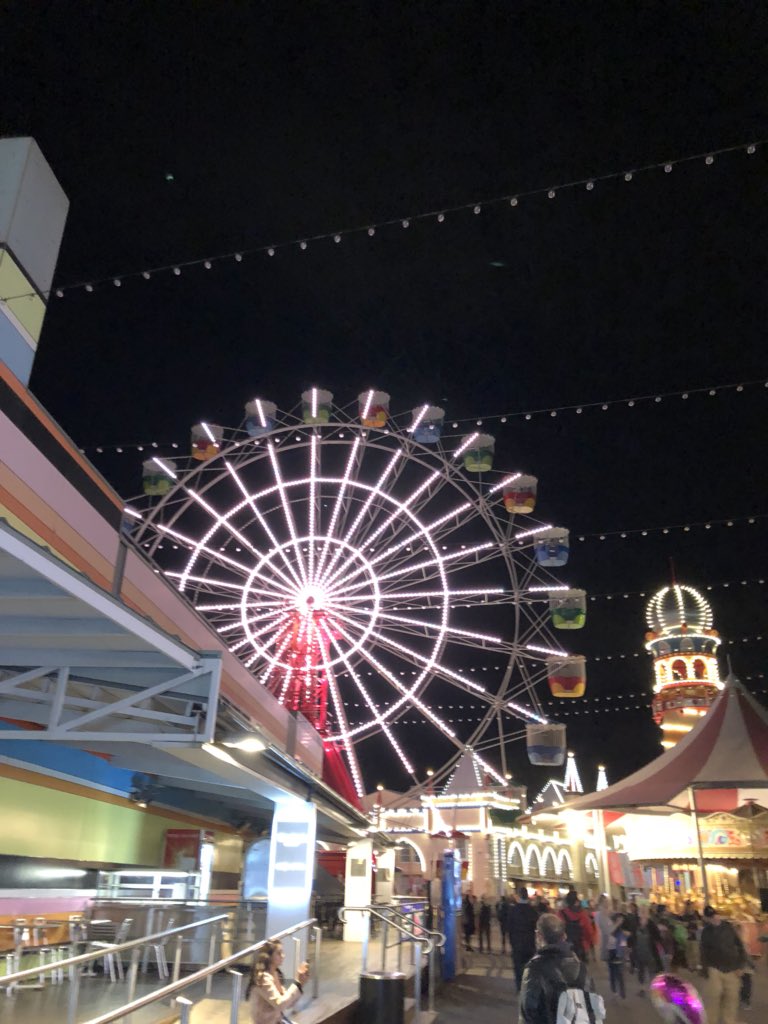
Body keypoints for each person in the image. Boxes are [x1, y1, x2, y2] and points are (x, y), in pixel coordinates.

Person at [518, 912, 593, 1024]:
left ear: (539, 936)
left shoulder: (534, 969)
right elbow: (591, 1008)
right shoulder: (580, 966)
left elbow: (528, 1012)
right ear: (564, 936)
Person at [700, 905, 748, 1024]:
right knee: (714, 995)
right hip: (714, 967)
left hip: (732, 967)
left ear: (718, 914)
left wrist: (741, 965)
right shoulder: (706, 932)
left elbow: (740, 946)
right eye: (710, 917)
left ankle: (729, 1021)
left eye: (714, 915)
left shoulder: (729, 927)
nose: (714, 918)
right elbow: (703, 951)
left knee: (732, 996)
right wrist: (705, 968)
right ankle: (711, 1021)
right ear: (706, 919)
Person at [247, 940, 309, 1024]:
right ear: (269, 957)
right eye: (279, 953)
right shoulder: (262, 978)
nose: (283, 956)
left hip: (277, 1020)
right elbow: (280, 1004)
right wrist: (297, 984)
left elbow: (287, 1004)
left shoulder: (275, 974)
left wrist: (301, 984)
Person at [508, 886, 540, 991]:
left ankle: (520, 988)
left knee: (518, 968)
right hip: (530, 944)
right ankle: (528, 988)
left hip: (517, 943)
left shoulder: (513, 910)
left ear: (518, 896)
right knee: (529, 968)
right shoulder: (533, 911)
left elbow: (509, 927)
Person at [629, 904, 662, 996]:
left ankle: (652, 990)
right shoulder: (635, 923)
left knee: (651, 971)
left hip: (650, 952)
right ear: (639, 913)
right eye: (641, 912)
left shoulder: (651, 924)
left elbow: (658, 937)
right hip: (639, 952)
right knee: (640, 971)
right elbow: (632, 937)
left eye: (645, 912)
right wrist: (630, 947)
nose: (643, 914)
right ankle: (642, 989)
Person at [559, 890, 595, 962]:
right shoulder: (582, 915)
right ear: (576, 902)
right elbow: (589, 932)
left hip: (565, 947)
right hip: (580, 947)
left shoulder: (561, 914)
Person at [607, 912, 629, 1000]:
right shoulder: (611, 927)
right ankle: (614, 990)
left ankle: (622, 992)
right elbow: (610, 933)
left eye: (622, 920)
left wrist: (626, 954)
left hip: (619, 953)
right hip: (611, 952)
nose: (621, 921)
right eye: (619, 920)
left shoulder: (621, 931)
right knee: (612, 972)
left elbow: (624, 943)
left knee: (620, 973)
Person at [681, 899, 702, 970]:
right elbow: (683, 924)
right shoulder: (684, 915)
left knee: (695, 951)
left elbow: (699, 922)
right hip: (687, 935)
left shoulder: (696, 913)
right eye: (689, 906)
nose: (691, 907)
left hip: (695, 935)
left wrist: (696, 923)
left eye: (692, 906)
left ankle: (697, 965)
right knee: (689, 951)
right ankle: (691, 966)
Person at [594, 894, 613, 963]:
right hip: (606, 940)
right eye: (606, 901)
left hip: (609, 940)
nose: (608, 903)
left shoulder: (606, 912)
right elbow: (605, 929)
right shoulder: (600, 914)